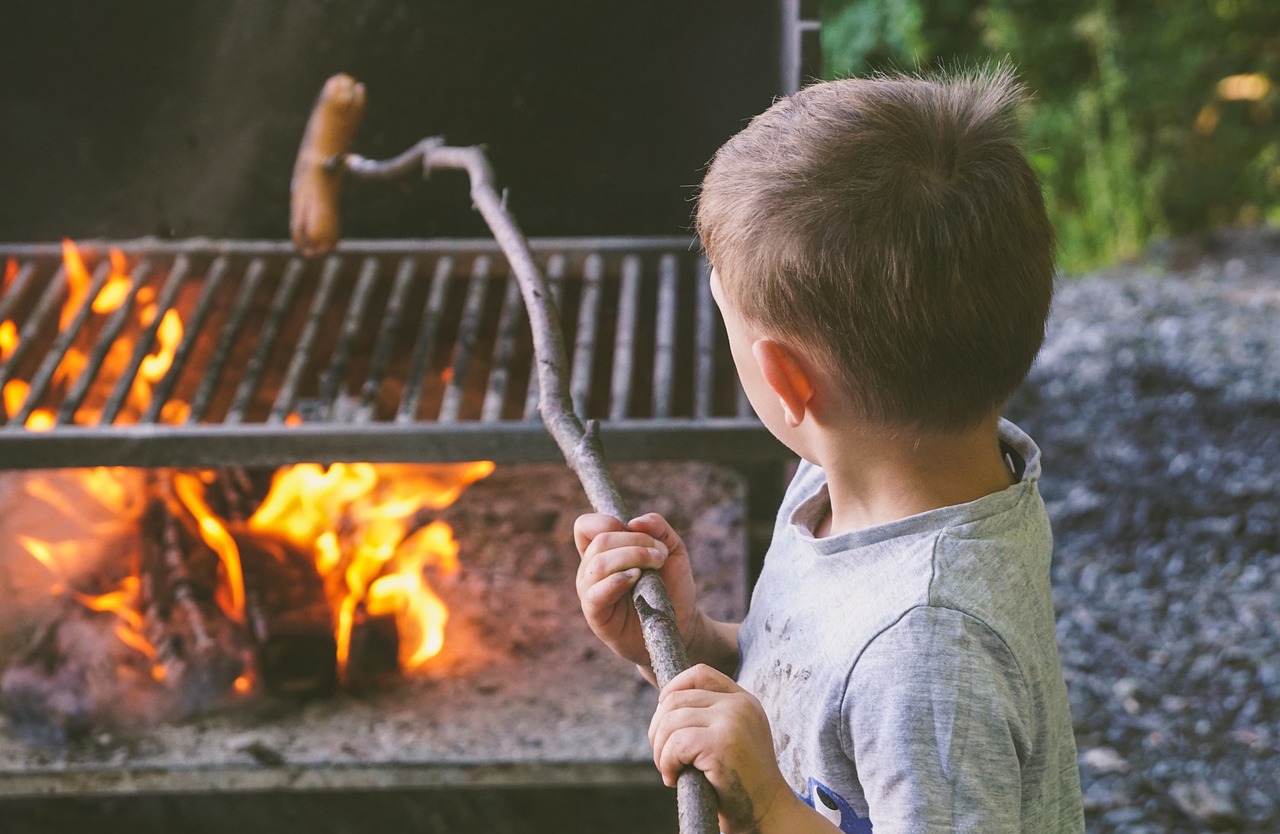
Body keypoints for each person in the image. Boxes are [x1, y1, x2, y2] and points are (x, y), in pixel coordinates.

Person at [573, 64, 1085, 834]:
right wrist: (688, 641)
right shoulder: (845, 482)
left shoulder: (929, 650)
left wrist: (772, 807)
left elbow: (877, 689)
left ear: (786, 379)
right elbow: (821, 688)